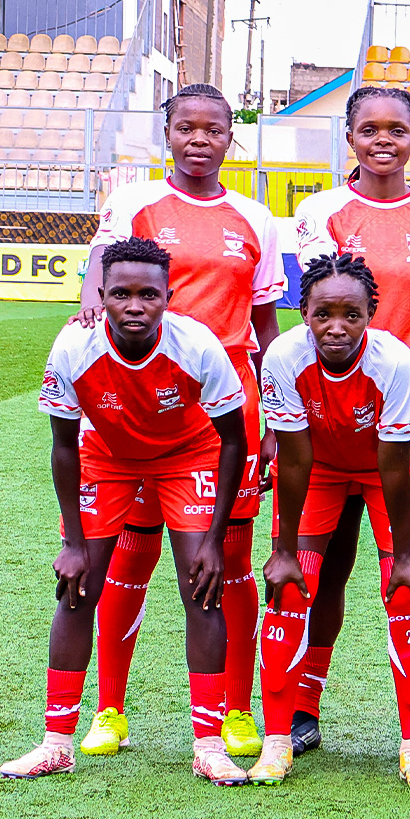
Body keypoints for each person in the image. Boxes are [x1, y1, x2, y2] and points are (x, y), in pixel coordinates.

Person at [76, 84, 283, 763]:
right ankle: (110, 708)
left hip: (225, 413)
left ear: (230, 138)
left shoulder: (255, 218)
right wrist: (90, 314)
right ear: (167, 132)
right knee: (129, 553)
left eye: (213, 129)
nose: (199, 139)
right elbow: (98, 276)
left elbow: (264, 325)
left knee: (229, 560)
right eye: (186, 127)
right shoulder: (135, 203)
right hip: (139, 407)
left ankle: (235, 709)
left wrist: (274, 415)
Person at [1, 239, 248, 782]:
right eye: (120, 294)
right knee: (77, 587)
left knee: (201, 587)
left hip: (187, 455)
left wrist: (213, 538)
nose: (134, 306)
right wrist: (72, 543)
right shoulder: (74, 346)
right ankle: (56, 743)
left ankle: (209, 746)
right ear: (101, 295)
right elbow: (63, 445)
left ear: (168, 297)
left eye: (148, 295)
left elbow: (233, 439)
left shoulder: (197, 345)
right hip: (107, 457)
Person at [293, 87, 410, 761]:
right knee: (324, 568)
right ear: (350, 137)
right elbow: (320, 306)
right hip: (331, 420)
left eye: (397, 129)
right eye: (369, 129)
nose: (383, 140)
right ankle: (303, 706)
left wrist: (408, 382)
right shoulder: (320, 213)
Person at [252, 254, 410, 789]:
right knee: (290, 588)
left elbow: (393, 464)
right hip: (318, 467)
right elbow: (293, 458)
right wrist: (284, 550)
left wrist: (405, 556)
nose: (336, 327)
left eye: (351, 315)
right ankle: (277, 742)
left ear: (370, 315)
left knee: (405, 593)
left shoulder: (396, 361)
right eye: (323, 314)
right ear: (303, 313)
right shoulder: (282, 357)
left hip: (394, 469)